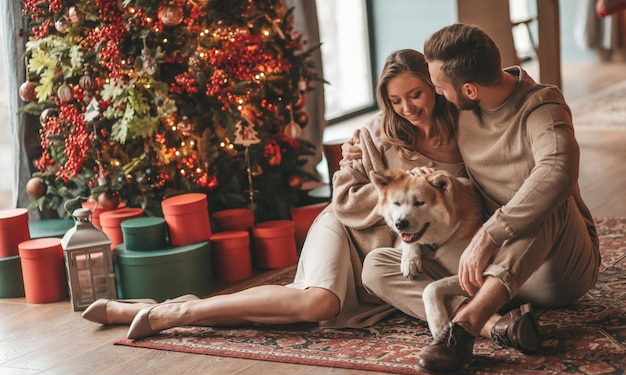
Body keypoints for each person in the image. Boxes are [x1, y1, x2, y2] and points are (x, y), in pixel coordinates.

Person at [81, 49, 467, 339]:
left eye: (415, 95)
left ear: (433, 86)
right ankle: (172, 316)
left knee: (300, 307)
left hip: (388, 250)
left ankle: (171, 308)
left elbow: (472, 195)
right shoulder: (374, 132)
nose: (406, 108)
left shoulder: (464, 131)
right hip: (347, 227)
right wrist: (394, 186)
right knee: (317, 302)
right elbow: (345, 198)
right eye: (396, 100)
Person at [349, 24, 600, 375]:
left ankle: (464, 328)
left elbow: (557, 170)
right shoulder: (462, 105)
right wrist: (357, 145)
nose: (435, 93)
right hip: (490, 270)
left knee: (547, 198)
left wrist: (490, 234)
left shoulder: (542, 106)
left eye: (438, 87)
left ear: (468, 89)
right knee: (378, 265)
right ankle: (500, 326)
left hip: (555, 267)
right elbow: (396, 113)